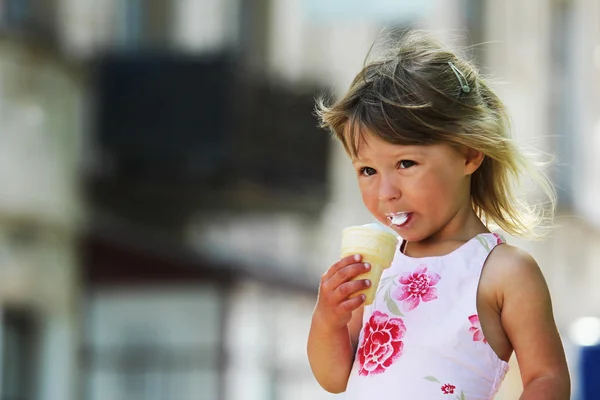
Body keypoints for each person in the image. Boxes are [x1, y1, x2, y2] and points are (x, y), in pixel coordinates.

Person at [306, 30, 570, 399]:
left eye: (406, 163)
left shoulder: (503, 271)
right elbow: (334, 377)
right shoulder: (375, 268)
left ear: (469, 154)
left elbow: (548, 378)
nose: (386, 192)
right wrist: (328, 318)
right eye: (367, 170)